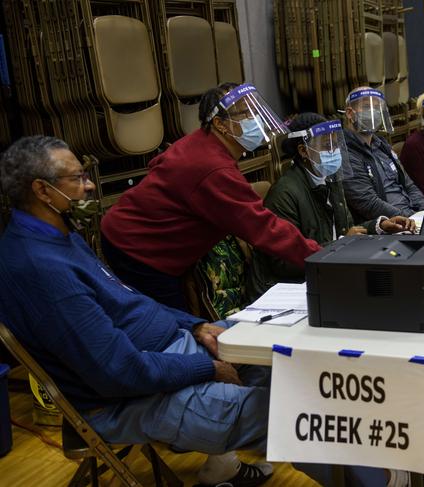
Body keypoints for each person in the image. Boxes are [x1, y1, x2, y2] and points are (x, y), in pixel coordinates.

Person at [0, 136, 273, 487]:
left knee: (280, 347)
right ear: (41, 190)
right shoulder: (41, 269)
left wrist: (196, 326)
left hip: (165, 354)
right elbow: (120, 372)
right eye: (78, 178)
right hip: (128, 397)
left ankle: (224, 465)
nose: (88, 187)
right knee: (296, 414)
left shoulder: (58, 234)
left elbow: (131, 300)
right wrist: (207, 368)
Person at [100, 82, 321, 311]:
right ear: (220, 124)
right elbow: (263, 227)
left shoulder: (203, 144)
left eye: (255, 111)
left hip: (131, 234)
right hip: (136, 247)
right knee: (172, 322)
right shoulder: (213, 168)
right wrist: (318, 257)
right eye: (245, 113)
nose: (255, 119)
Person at [249, 113, 416, 297]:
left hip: (331, 272)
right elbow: (284, 263)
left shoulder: (331, 180)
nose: (334, 151)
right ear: (304, 151)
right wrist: (341, 244)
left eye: (336, 144)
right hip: (293, 288)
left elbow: (347, 231)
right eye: (326, 145)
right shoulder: (284, 193)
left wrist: (380, 225)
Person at [342, 87, 424, 222]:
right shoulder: (345, 153)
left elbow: (408, 183)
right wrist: (410, 220)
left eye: (377, 108)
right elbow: (368, 203)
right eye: (366, 106)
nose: (373, 112)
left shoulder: (382, 145)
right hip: (387, 227)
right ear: (349, 113)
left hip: (411, 217)